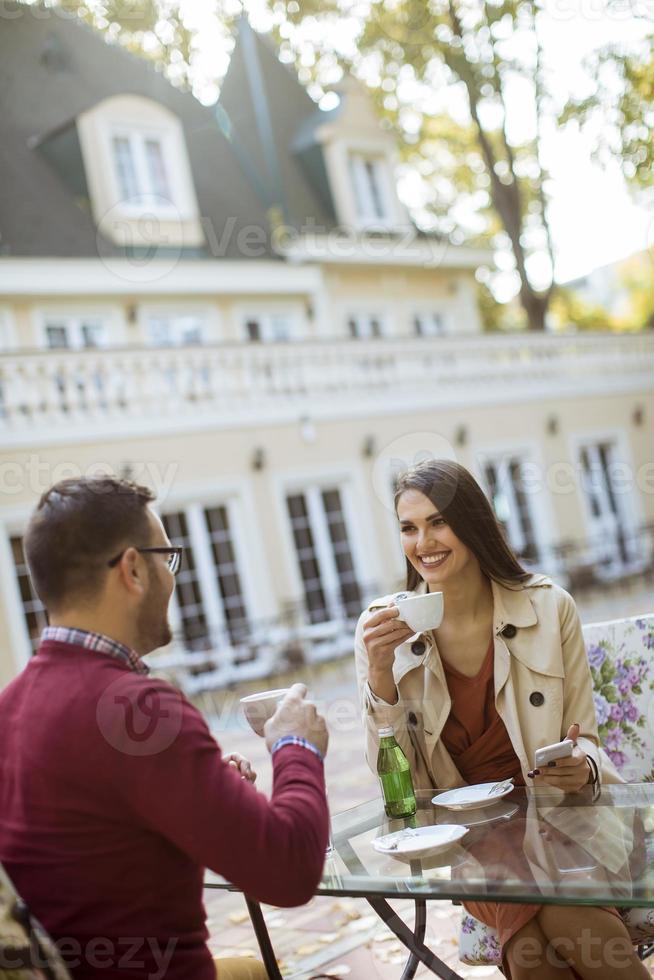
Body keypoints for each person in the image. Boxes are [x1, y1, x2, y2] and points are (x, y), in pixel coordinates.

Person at [0, 476, 330, 980]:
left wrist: (201, 790)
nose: (172, 578)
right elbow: (289, 873)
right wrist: (295, 744)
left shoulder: (10, 708)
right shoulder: (138, 710)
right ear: (133, 568)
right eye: (167, 557)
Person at [354, 459, 646, 980]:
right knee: (554, 920)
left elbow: (588, 742)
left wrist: (582, 767)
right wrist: (380, 678)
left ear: (473, 523)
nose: (424, 542)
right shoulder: (383, 632)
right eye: (408, 527)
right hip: (472, 838)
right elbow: (395, 785)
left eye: (439, 522)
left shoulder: (549, 607)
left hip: (560, 816)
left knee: (546, 932)